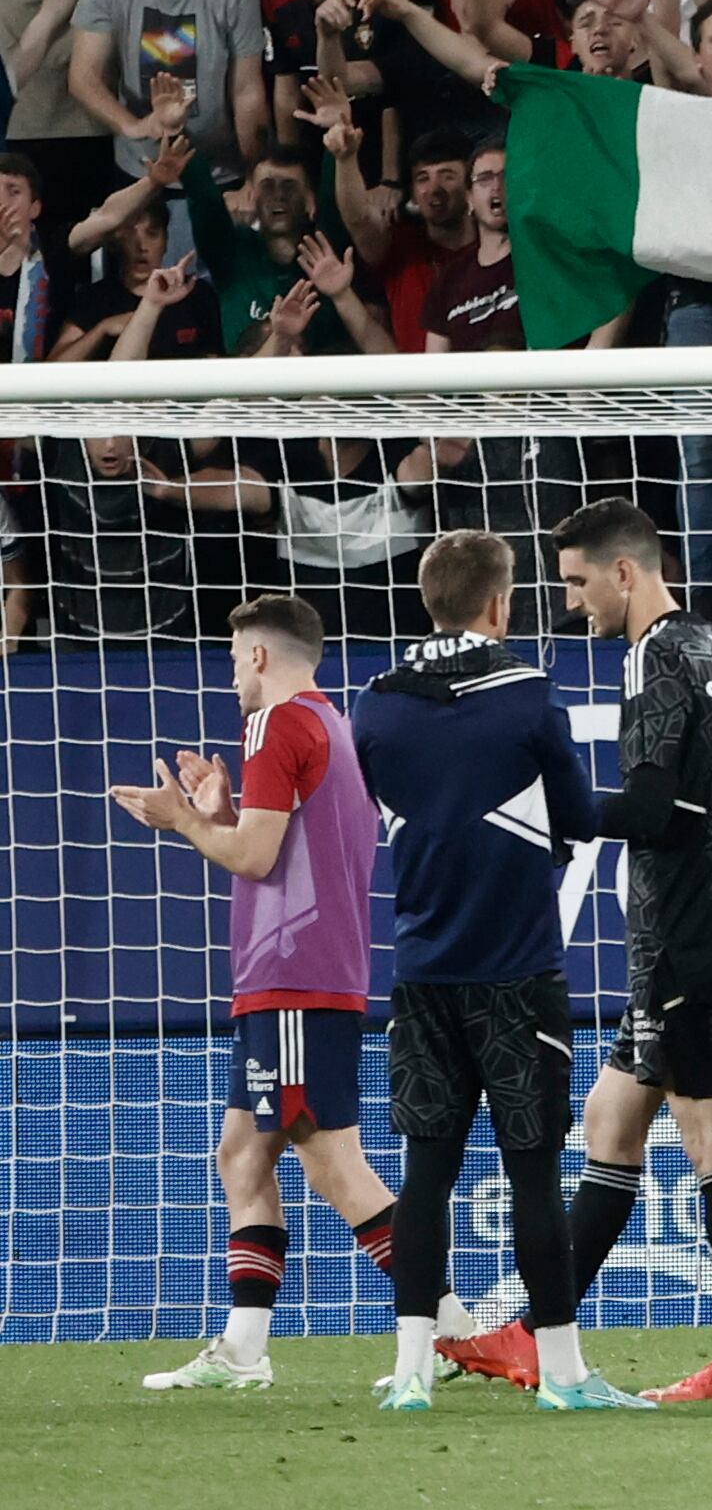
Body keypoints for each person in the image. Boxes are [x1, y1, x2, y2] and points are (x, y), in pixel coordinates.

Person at [105, 591, 401, 1395]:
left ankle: (449, 1324)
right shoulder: (327, 722)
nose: (233, 674)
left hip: (295, 973)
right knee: (240, 1154)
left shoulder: (275, 722)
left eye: (237, 659)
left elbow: (256, 859)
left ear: (262, 657)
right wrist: (222, 811)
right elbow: (274, 840)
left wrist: (180, 821)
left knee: (332, 1161)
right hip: (298, 974)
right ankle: (242, 1349)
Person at [348, 526, 606, 1410]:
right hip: (518, 970)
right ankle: (565, 1375)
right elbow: (576, 815)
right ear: (499, 603)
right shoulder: (529, 696)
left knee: (427, 1172)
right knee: (534, 1171)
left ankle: (413, 1371)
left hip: (422, 971)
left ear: (428, 598)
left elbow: (377, 815)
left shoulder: (374, 703)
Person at [543, 497, 712, 1406]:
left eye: (578, 583)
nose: (574, 605)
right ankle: (541, 1333)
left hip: (687, 927)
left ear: (626, 572)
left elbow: (650, 812)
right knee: (611, 1122)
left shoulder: (654, 654)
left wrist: (543, 810)